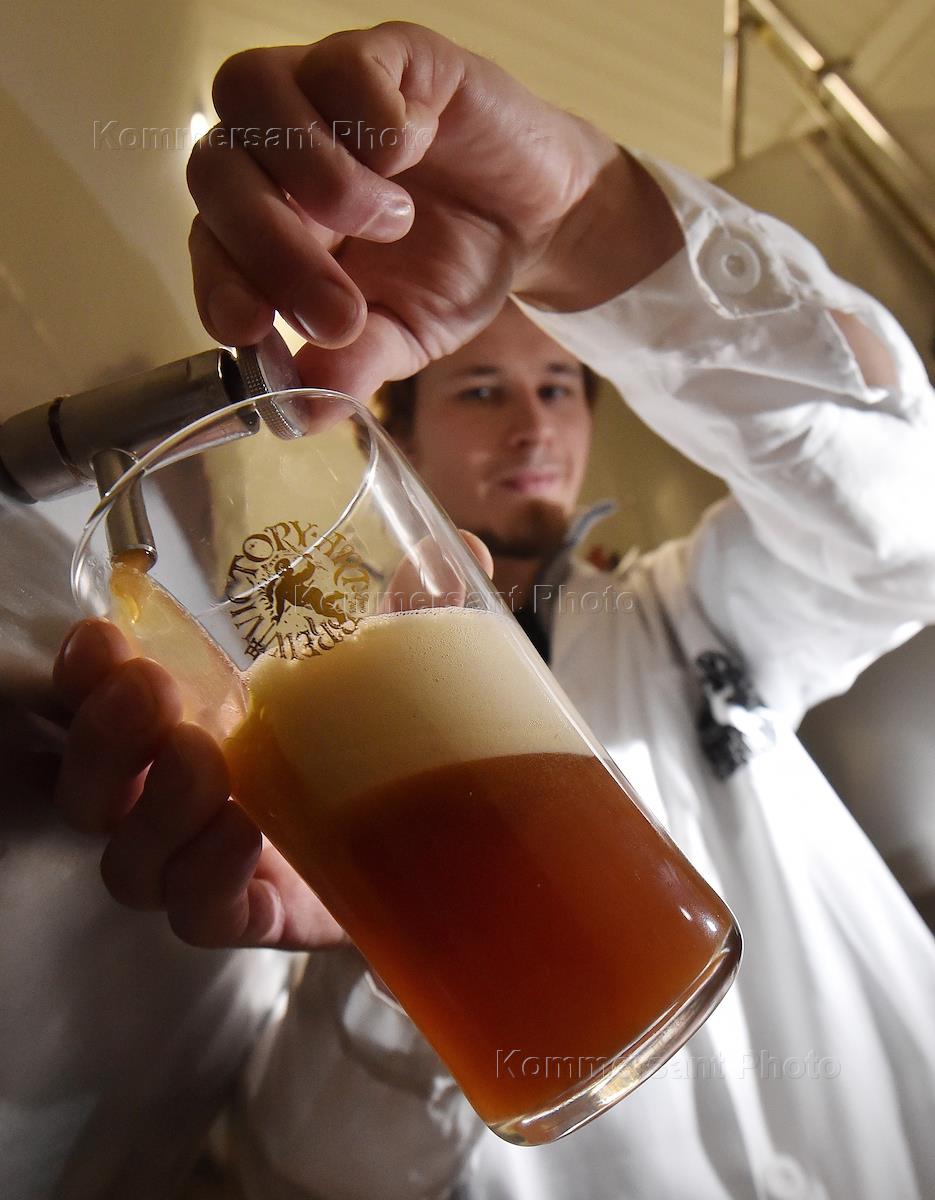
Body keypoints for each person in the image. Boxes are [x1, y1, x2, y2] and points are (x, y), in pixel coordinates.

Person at [51, 21, 935, 1200]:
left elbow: (897, 525)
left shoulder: (691, 612)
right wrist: (384, 957)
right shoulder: (296, 741)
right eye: (480, 389)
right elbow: (303, 1173)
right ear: (396, 440)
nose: (532, 426)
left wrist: (584, 222)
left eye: (558, 386)